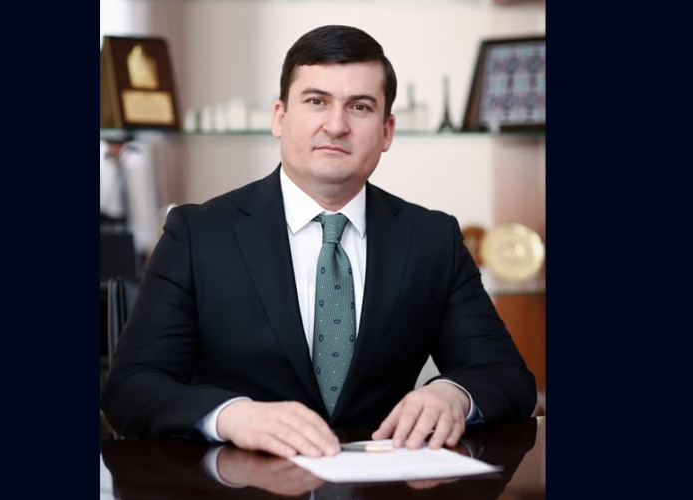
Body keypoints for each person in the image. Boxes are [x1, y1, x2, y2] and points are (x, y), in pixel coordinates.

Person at [101, 25, 536, 459]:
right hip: (238, 480)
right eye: (316, 101)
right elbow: (130, 388)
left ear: (386, 131)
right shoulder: (197, 234)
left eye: (360, 107)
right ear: (279, 117)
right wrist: (232, 416)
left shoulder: (431, 239)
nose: (336, 125)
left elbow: (507, 376)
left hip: (384, 482)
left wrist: (453, 394)